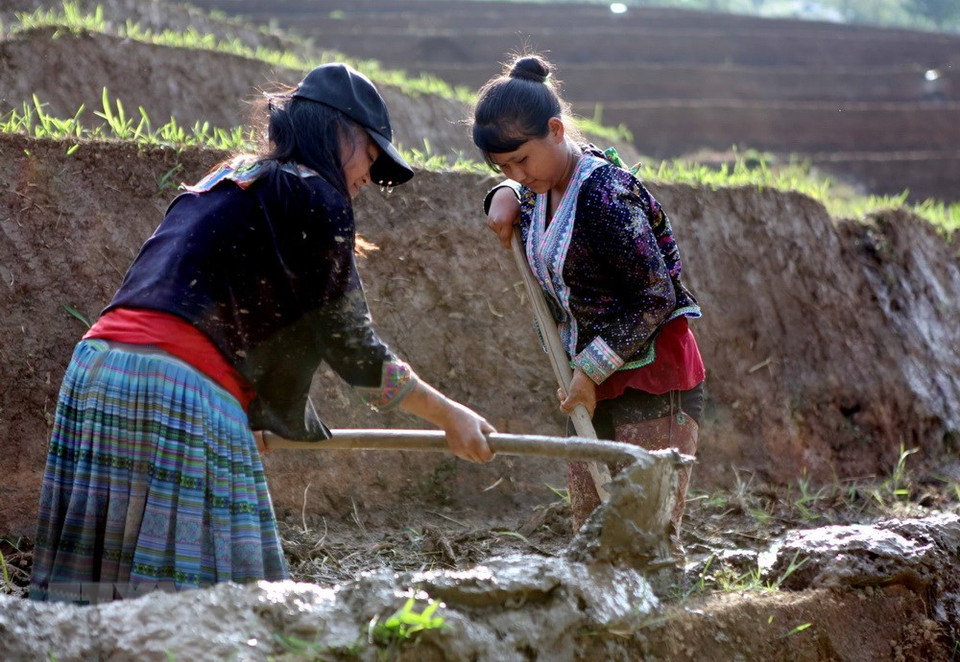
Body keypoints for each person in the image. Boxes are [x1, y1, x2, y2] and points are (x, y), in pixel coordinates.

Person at [30, 63, 495, 603]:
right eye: (369, 155)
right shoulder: (318, 199)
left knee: (90, 603)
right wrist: (450, 417)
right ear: (337, 133)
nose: (367, 176)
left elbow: (209, 300)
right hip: (177, 391)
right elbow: (354, 351)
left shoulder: (230, 178)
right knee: (225, 609)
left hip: (96, 374)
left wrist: (252, 411)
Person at [472, 54, 704, 561]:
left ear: (556, 130)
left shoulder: (605, 195)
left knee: (645, 543)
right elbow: (525, 188)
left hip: (649, 378)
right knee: (592, 543)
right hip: (585, 379)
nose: (516, 172)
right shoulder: (541, 186)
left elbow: (656, 295)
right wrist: (505, 191)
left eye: (520, 161)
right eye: (502, 165)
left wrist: (591, 372)